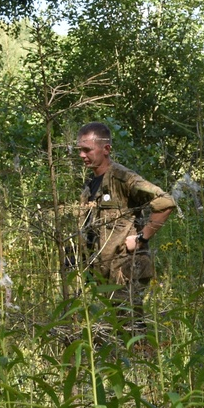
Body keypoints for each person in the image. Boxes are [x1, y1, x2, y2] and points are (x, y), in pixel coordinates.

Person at [76, 122, 175, 330]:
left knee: (130, 327)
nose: (82, 156)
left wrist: (142, 238)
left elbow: (165, 203)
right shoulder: (89, 184)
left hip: (126, 267)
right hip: (104, 271)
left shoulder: (123, 178)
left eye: (87, 150)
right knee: (114, 327)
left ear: (106, 149)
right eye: (80, 150)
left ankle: (142, 359)